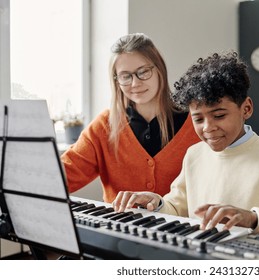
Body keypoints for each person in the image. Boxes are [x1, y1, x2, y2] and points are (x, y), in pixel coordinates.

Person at [112, 51, 259, 257]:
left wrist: (254, 219)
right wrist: (156, 203)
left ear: (246, 109)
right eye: (198, 119)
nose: (208, 128)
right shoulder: (194, 154)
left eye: (219, 115)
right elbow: (177, 208)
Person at [61, 33, 200, 203]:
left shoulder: (196, 122)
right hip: (117, 229)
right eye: (125, 76)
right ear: (116, 81)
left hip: (181, 229)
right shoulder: (104, 126)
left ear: (159, 69)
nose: (135, 83)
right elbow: (62, 177)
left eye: (143, 72)